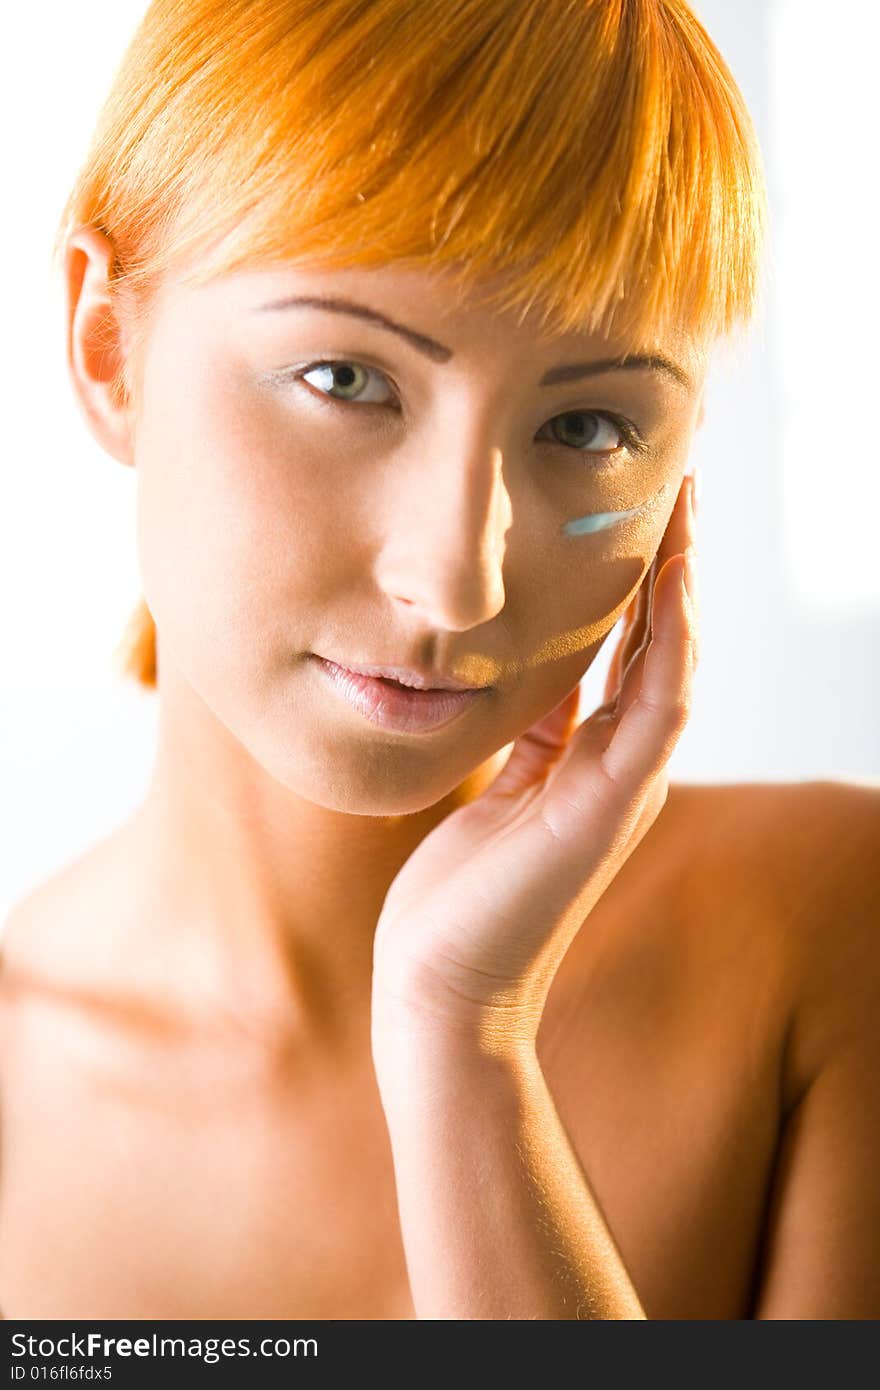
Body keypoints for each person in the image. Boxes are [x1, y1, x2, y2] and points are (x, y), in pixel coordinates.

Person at [0, 0, 877, 1321]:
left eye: (586, 421)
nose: (458, 577)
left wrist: (463, 1037)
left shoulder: (828, 942)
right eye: (348, 379)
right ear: (107, 342)